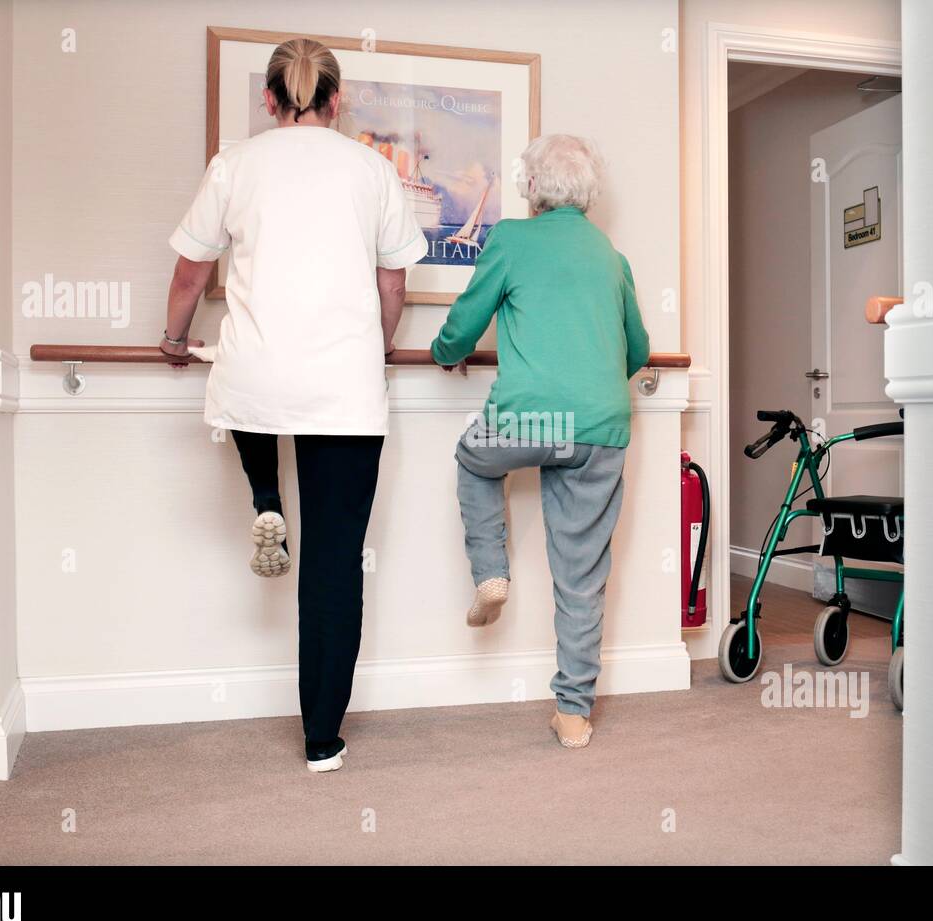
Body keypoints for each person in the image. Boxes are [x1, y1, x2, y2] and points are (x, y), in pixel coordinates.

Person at [161, 38, 427, 773]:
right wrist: (371, 347)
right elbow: (394, 285)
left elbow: (190, 274)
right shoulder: (374, 170)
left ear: (270, 101)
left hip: (257, 383)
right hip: (342, 391)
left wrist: (173, 338)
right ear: (337, 103)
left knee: (242, 382)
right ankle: (321, 738)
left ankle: (264, 493)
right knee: (334, 566)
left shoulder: (236, 164)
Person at [430, 134, 650, 750]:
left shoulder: (511, 239)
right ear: (587, 192)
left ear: (532, 188)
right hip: (602, 428)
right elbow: (637, 350)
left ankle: (491, 573)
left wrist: (446, 354)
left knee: (474, 460)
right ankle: (574, 715)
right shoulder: (611, 256)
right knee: (582, 574)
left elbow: (463, 326)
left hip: (532, 424)